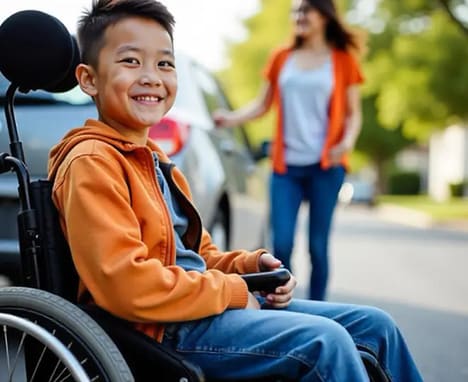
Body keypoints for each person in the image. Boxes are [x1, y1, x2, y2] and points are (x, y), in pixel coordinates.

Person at [47, 0, 423, 380]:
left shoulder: (155, 161)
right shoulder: (93, 162)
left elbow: (198, 256)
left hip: (194, 308)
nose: (151, 76)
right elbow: (126, 287)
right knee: (325, 342)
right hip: (159, 329)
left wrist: (248, 267)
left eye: (165, 63)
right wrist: (234, 292)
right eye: (131, 61)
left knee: (377, 326)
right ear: (89, 79)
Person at [213, 0, 364, 301]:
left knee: (317, 247)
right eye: (295, 12)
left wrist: (346, 143)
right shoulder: (282, 57)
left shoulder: (342, 59)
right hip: (286, 166)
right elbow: (262, 104)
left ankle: (320, 308)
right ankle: (288, 303)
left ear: (323, 16)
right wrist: (230, 118)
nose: (298, 16)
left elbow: (353, 113)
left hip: (326, 165)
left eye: (305, 10)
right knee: (281, 243)